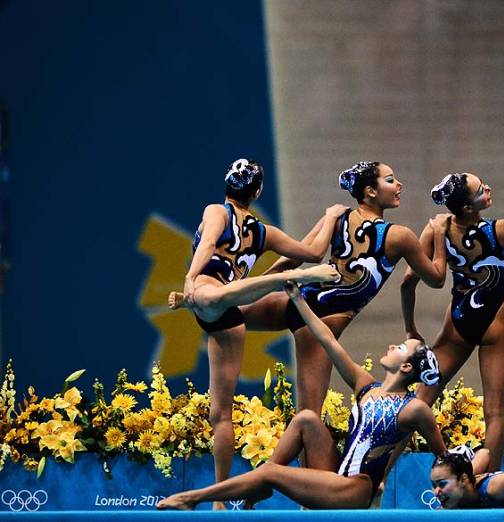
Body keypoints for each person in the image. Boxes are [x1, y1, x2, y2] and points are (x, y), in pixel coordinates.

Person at [156, 282, 447, 510]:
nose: (392, 345)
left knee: (270, 473)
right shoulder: (366, 385)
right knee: (307, 418)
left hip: (355, 489)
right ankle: (263, 481)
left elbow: (443, 455)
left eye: (400, 348)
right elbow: (326, 339)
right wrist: (298, 300)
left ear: (407, 366)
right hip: (335, 475)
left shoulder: (414, 409)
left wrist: (461, 487)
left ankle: (193, 497)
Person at [173, 158, 341, 507]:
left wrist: (189, 278)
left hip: (214, 299)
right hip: (229, 319)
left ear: (227, 184)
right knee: (218, 414)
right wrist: (330, 216)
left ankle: (286, 280)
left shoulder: (215, 211)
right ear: (258, 191)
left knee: (210, 296)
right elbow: (312, 250)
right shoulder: (263, 233)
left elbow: (206, 246)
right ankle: (220, 500)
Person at [239, 161, 450, 418]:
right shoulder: (400, 236)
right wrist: (439, 234)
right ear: (371, 191)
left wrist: (249, 289)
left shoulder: (338, 217)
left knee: (225, 313)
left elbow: (293, 259)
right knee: (308, 417)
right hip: (320, 324)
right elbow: (437, 278)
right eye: (391, 180)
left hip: (297, 302)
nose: (399, 185)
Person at [400, 172, 504, 471]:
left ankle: (383, 474)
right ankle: (488, 481)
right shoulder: (502, 231)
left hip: (458, 323)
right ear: (469, 208)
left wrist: (410, 327)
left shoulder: (435, 231)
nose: (487, 187)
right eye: (479, 190)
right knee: (495, 412)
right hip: (496, 323)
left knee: (418, 403)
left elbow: (408, 283)